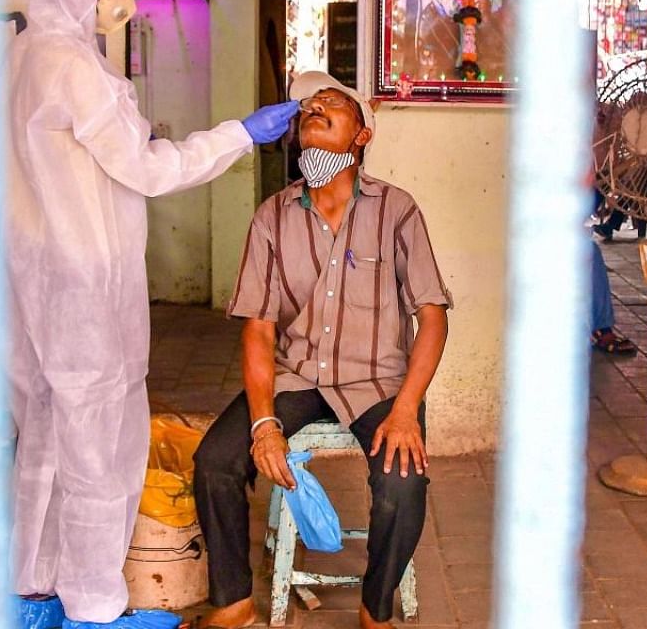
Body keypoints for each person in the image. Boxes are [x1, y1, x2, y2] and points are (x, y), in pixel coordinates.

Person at [5, 0, 299, 629]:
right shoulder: (73, 67)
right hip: (83, 285)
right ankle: (96, 609)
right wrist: (239, 134)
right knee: (99, 450)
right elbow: (147, 166)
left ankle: (34, 593)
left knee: (44, 438)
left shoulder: (22, 56)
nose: (127, 0)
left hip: (32, 278)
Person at [192, 71, 452, 629]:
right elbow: (259, 329)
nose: (317, 107)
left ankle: (374, 609)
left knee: (402, 483)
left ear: (362, 137)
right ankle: (234, 602)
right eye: (310, 106)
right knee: (215, 460)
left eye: (333, 104)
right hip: (297, 376)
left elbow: (432, 316)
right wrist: (264, 422)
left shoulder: (396, 210)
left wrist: (407, 409)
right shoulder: (271, 217)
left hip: (379, 381)